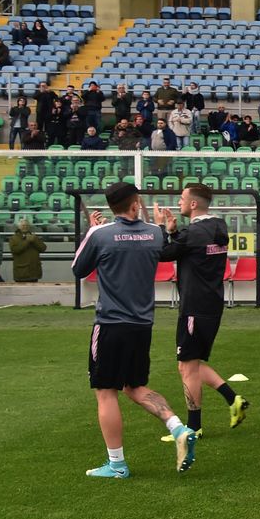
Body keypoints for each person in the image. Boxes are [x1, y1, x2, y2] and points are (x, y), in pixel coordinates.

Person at [71, 183, 198, 478]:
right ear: (135, 203)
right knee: (135, 386)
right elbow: (162, 248)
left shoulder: (100, 235)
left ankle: (116, 465)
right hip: (143, 325)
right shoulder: (154, 234)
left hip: (111, 323)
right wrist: (166, 228)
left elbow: (78, 269)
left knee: (106, 391)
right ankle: (177, 426)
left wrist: (90, 231)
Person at [153, 183, 249, 442]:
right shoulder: (217, 227)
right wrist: (175, 233)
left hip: (195, 307)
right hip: (211, 304)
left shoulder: (194, 232)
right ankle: (233, 399)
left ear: (194, 204)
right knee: (192, 363)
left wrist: (162, 228)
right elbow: (189, 250)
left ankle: (193, 427)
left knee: (186, 366)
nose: (179, 203)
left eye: (182, 198)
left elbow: (163, 254)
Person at [9, 218, 46, 283]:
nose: (25, 227)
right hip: (21, 272)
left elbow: (43, 248)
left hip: (34, 271)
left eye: (27, 225)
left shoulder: (34, 237)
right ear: (19, 227)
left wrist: (35, 240)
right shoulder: (13, 238)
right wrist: (27, 241)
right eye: (23, 225)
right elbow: (15, 250)